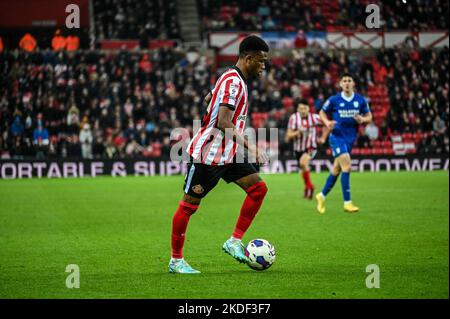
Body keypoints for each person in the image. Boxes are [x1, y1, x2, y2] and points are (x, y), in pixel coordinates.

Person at [169, 35, 270, 274]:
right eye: (261, 61)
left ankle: (234, 241)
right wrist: (252, 147)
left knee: (258, 189)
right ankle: (176, 261)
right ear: (248, 58)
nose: (264, 66)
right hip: (208, 156)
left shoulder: (230, 76)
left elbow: (208, 97)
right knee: (188, 207)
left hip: (228, 154)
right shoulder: (234, 83)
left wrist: (210, 110)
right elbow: (224, 122)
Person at [316, 73, 373, 214]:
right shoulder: (334, 99)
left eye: (349, 80)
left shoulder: (360, 100)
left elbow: (369, 117)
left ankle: (321, 196)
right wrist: (328, 122)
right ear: (340, 84)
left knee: (336, 169)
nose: (347, 83)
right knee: (347, 166)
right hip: (336, 137)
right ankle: (347, 202)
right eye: (344, 81)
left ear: (353, 83)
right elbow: (321, 113)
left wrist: (363, 119)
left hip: (350, 139)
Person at [286, 98, 327, 199]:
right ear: (297, 109)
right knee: (303, 169)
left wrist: (323, 137)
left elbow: (327, 124)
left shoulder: (314, 118)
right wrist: (298, 132)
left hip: (310, 147)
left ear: (309, 109)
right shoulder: (293, 118)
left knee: (303, 163)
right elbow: (289, 135)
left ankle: (310, 186)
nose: (303, 111)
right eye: (301, 109)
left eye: (305, 108)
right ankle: (306, 187)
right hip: (298, 148)